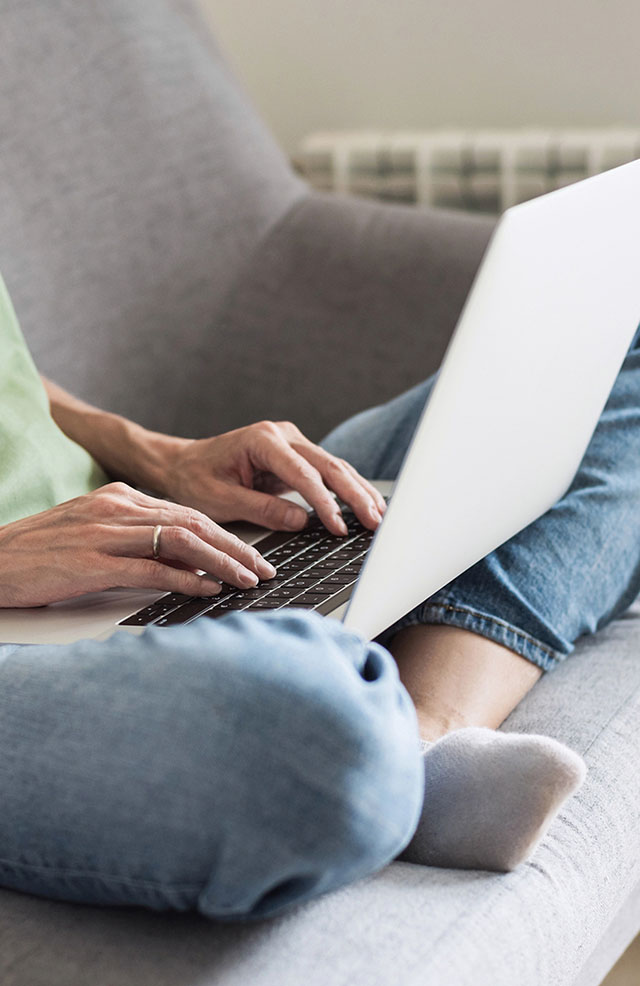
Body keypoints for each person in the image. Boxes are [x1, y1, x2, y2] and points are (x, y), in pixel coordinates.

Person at [1, 266, 638, 921]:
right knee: (310, 731)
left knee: (613, 350)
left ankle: (425, 734)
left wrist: (160, 455)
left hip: (137, 527)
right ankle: (387, 753)